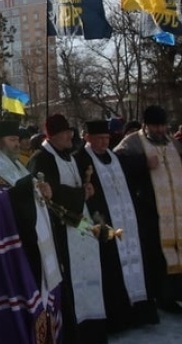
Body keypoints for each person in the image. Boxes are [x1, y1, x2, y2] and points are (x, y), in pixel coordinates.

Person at [0, 120, 65, 343]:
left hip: (30, 246)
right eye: (12, 140)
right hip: (5, 255)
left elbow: (29, 198)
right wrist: (24, 192)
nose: (17, 144)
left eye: (18, 140)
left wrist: (42, 190)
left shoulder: (18, 167)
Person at [26, 114, 105, 343]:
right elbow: (47, 195)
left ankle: (92, 327)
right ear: (52, 135)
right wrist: (80, 194)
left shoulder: (68, 155)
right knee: (71, 284)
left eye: (70, 131)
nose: (71, 135)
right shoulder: (41, 159)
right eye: (65, 132)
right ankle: (75, 332)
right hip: (61, 232)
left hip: (81, 226)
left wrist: (87, 190)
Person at [114, 105, 182, 314]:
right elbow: (115, 164)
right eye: (155, 126)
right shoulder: (132, 142)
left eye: (162, 125)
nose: (160, 130)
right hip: (149, 211)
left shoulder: (172, 142)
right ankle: (161, 297)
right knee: (157, 256)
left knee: (176, 252)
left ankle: (177, 294)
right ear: (146, 125)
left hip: (177, 211)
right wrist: (142, 162)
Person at [82, 120, 158, 330]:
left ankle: (140, 312)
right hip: (102, 223)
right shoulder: (81, 159)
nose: (104, 142)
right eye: (99, 138)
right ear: (87, 138)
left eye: (106, 138)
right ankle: (119, 319)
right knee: (112, 270)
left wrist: (146, 162)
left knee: (136, 264)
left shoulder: (115, 157)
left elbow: (133, 169)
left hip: (127, 222)